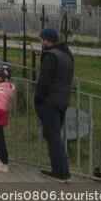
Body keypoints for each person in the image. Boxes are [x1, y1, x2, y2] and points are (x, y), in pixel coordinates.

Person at [35, 27, 74, 182]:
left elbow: (44, 81)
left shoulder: (51, 56)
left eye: (41, 40)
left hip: (49, 101)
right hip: (63, 100)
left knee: (53, 137)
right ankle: (64, 170)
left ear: (46, 40)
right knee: (56, 136)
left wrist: (38, 99)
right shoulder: (67, 55)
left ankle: (58, 171)